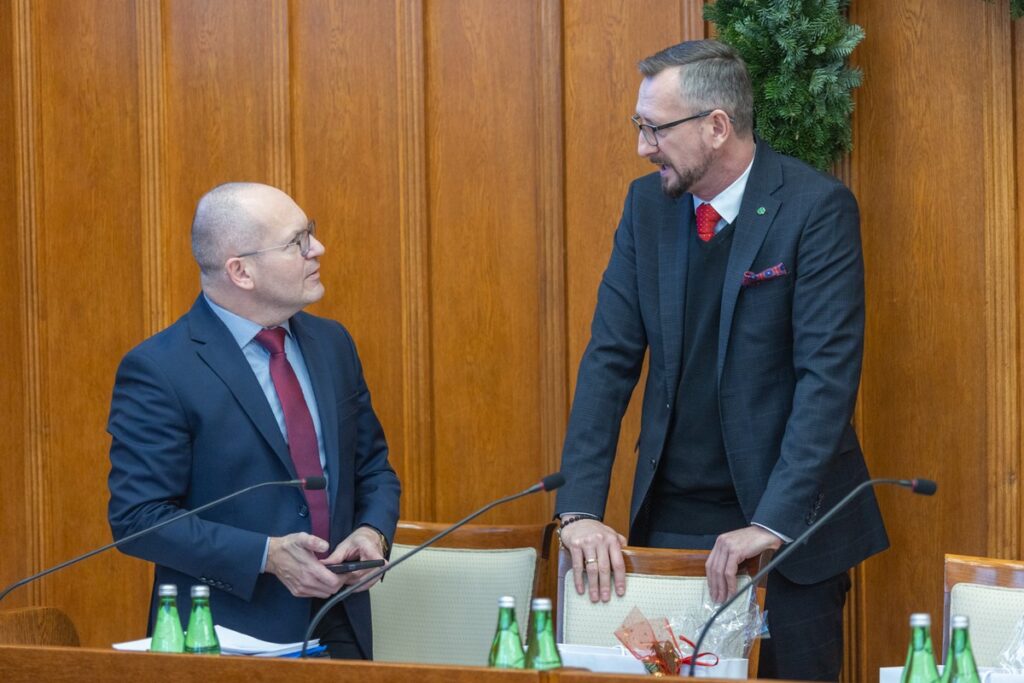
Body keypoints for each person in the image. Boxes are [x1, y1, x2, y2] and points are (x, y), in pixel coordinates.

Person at [554, 40, 888, 681]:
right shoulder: (647, 206)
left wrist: (771, 521)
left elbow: (828, 380)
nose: (642, 145)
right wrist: (582, 510)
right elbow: (610, 358)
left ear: (716, 126)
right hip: (673, 523)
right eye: (638, 126)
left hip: (787, 534)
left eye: (654, 128)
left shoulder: (814, 209)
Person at [107, 182, 401, 659]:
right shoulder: (161, 368)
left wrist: (373, 531)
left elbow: (373, 469)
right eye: (297, 241)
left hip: (341, 621)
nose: (317, 250)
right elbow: (139, 519)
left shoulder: (333, 344)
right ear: (241, 271)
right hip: (225, 639)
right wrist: (265, 556)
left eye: (312, 233)